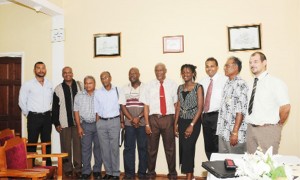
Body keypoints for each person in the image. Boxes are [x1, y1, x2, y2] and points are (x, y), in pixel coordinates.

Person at [246, 52, 291, 154]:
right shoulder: (249, 83)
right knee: (251, 165)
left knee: (268, 166)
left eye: (256, 61)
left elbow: (286, 107)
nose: (252, 65)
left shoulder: (275, 83)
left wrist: (278, 125)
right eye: (250, 62)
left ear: (264, 62)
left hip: (268, 130)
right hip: (250, 130)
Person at [140, 63, 178, 180]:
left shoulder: (172, 84)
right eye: (156, 70)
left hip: (168, 119)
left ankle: (172, 174)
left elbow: (176, 105)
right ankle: (151, 173)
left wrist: (175, 123)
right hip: (153, 119)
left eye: (161, 70)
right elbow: (146, 106)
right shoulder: (149, 85)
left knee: (170, 149)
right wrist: (147, 123)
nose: (159, 72)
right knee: (151, 149)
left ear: (165, 71)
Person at [18, 61, 53, 166]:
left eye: (43, 68)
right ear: (34, 70)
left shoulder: (49, 83)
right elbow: (21, 101)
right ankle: (31, 166)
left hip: (47, 117)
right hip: (33, 117)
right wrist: (28, 114)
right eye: (38, 68)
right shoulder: (28, 84)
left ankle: (48, 167)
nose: (41, 70)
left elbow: (51, 99)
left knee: (46, 143)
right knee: (32, 143)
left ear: (45, 70)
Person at [52, 66, 83, 178]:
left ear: (72, 73)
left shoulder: (80, 86)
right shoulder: (58, 89)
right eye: (65, 73)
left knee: (78, 147)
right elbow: (55, 108)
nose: (67, 74)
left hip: (78, 123)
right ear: (62, 74)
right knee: (65, 147)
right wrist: (56, 123)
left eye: (69, 72)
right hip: (64, 122)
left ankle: (78, 169)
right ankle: (68, 169)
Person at [174, 64, 203, 180]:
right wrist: (175, 124)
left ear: (193, 74)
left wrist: (191, 125)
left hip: (194, 122)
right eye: (183, 72)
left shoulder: (198, 87)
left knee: (188, 148)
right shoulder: (180, 88)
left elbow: (200, 108)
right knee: (183, 148)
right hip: (181, 121)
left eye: (188, 72)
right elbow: (178, 107)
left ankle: (189, 177)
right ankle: (189, 176)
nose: (186, 74)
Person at [119, 67, 147, 180]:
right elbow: (122, 106)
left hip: (143, 123)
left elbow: (147, 105)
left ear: (139, 74)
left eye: (134, 73)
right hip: (129, 124)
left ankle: (142, 174)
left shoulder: (145, 87)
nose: (132, 75)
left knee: (143, 149)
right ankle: (129, 174)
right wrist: (132, 119)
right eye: (130, 73)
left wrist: (138, 118)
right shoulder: (124, 88)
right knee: (129, 149)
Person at [216, 57, 248, 154]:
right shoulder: (227, 83)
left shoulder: (241, 84)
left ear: (235, 67)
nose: (224, 68)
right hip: (223, 132)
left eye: (227, 65)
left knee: (236, 164)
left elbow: (240, 111)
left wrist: (235, 132)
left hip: (234, 133)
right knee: (223, 164)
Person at [74, 76, 102, 179]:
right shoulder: (79, 95)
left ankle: (97, 170)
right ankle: (86, 171)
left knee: (98, 149)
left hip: (98, 124)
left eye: (90, 83)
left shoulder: (100, 94)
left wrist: (99, 124)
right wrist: (79, 127)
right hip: (85, 125)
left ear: (94, 84)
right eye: (86, 83)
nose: (88, 85)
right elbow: (76, 111)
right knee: (85, 149)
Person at [199, 57, 228, 160]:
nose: (209, 68)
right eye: (207, 66)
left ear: (217, 67)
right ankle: (211, 166)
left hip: (218, 116)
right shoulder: (202, 81)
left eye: (212, 66)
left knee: (218, 144)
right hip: (205, 117)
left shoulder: (225, 80)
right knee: (208, 144)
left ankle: (218, 167)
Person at [94, 71, 121, 179]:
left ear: (110, 78)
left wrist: (122, 121)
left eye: (106, 77)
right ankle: (108, 172)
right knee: (104, 149)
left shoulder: (117, 90)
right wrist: (97, 124)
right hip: (101, 122)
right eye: (102, 78)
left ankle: (115, 173)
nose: (104, 79)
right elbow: (96, 110)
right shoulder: (98, 92)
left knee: (114, 148)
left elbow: (122, 107)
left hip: (114, 121)